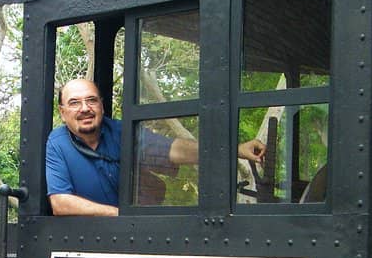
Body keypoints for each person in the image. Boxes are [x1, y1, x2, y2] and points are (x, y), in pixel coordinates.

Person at [45, 79, 266, 216]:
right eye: (74, 103)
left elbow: (173, 150)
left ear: (101, 106)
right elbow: (61, 203)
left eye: (91, 100)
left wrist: (236, 149)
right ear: (63, 112)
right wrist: (120, 214)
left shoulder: (122, 132)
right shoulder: (57, 144)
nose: (85, 108)